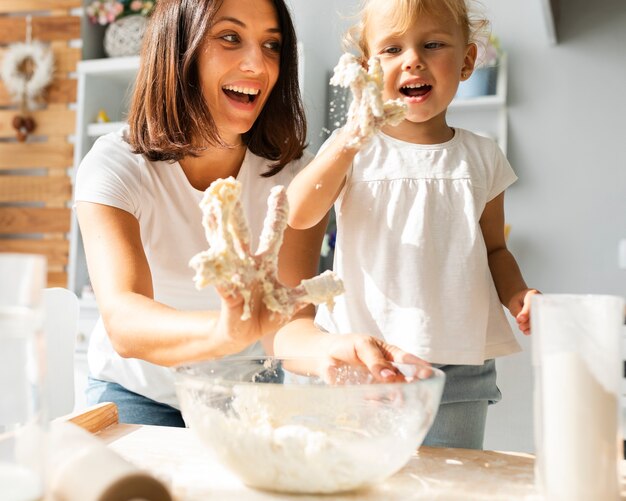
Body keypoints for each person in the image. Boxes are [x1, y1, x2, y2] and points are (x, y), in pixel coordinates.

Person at [74, 0, 419, 427]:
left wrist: (329, 350)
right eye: (230, 38)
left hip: (245, 401)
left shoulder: (295, 177)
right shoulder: (116, 165)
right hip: (136, 394)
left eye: (272, 45)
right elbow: (125, 321)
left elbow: (285, 324)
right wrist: (225, 333)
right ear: (179, 47)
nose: (258, 64)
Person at [285, 0, 539, 449]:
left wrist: (519, 294)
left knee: (447, 484)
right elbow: (300, 213)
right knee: (360, 480)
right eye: (391, 49)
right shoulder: (355, 148)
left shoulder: (483, 156)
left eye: (433, 44)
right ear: (366, 69)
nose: (413, 60)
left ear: (466, 61)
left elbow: (495, 250)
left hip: (458, 372)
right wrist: (349, 139)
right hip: (364, 360)